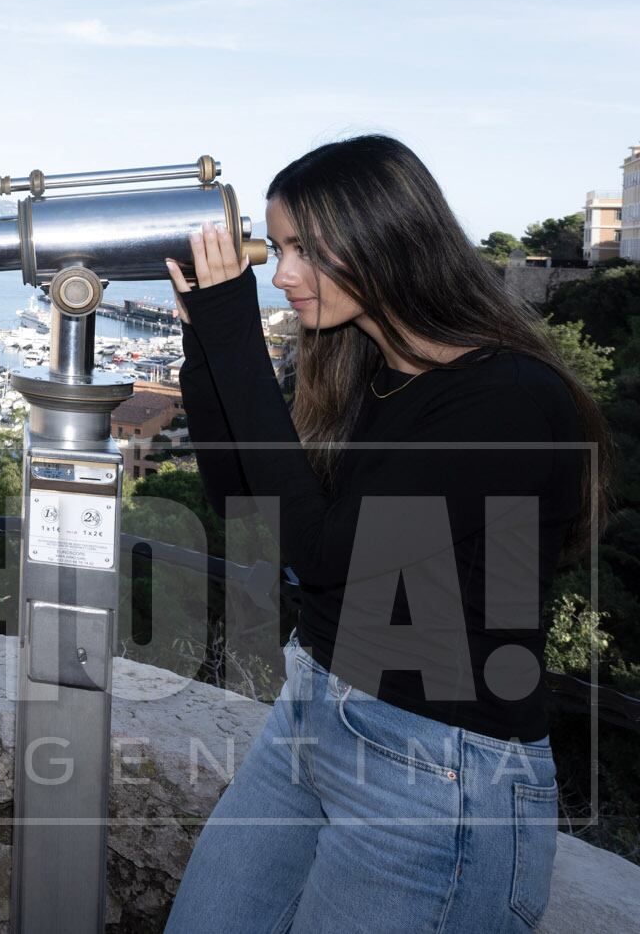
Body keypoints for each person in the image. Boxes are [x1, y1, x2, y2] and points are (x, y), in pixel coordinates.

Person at [162, 134, 610, 933]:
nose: (281, 271)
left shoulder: (504, 400)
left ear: (387, 239)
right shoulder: (366, 372)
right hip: (313, 712)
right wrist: (206, 339)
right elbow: (249, 505)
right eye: (279, 244)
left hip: (437, 769)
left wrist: (233, 328)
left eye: (304, 248)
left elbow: (325, 552)